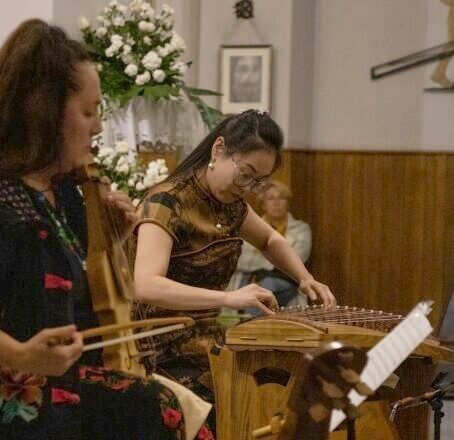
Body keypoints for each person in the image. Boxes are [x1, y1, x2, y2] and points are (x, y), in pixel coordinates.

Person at [0, 19, 212, 440]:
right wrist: (22, 355)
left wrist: (108, 241)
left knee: (180, 404)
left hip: (43, 375)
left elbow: (60, 294)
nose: (96, 128)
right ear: (47, 113)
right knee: (157, 408)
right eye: (88, 113)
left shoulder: (59, 192)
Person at [130, 109, 336, 430]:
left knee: (282, 385)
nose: (247, 187)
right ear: (219, 149)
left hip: (207, 342)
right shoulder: (167, 201)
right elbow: (145, 284)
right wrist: (227, 299)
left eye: (257, 182)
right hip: (159, 349)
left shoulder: (232, 205)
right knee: (247, 404)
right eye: (246, 173)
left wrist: (305, 278)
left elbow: (269, 239)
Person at [227, 180, 312, 312]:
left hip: (284, 280)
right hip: (248, 279)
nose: (276, 202)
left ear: (287, 203)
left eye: (281, 198)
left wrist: (260, 260)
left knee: (264, 287)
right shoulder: (248, 226)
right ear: (263, 204)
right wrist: (275, 260)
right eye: (270, 198)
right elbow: (238, 259)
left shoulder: (301, 229)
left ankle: (252, 326)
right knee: (254, 289)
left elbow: (299, 258)